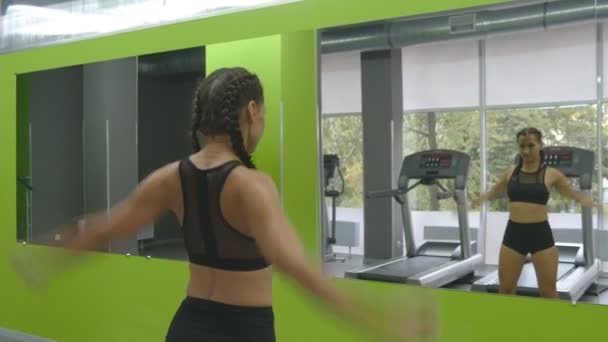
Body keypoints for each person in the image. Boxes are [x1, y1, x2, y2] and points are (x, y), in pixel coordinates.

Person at [10, 67, 437, 342]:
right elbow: (300, 271)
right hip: (243, 332)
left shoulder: (169, 178)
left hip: (188, 327)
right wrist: (383, 323)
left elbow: (102, 227)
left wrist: (45, 260)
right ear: (251, 111)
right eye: (264, 113)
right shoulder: (252, 187)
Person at [475, 127, 593, 299]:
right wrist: (474, 200)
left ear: (540, 145)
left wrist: (597, 205)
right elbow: (493, 193)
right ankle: (505, 324)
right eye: (522, 146)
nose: (526, 151)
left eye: (531, 145)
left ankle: (553, 326)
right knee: (505, 290)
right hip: (513, 235)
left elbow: (575, 195)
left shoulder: (552, 174)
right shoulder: (510, 172)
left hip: (540, 235)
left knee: (548, 292)